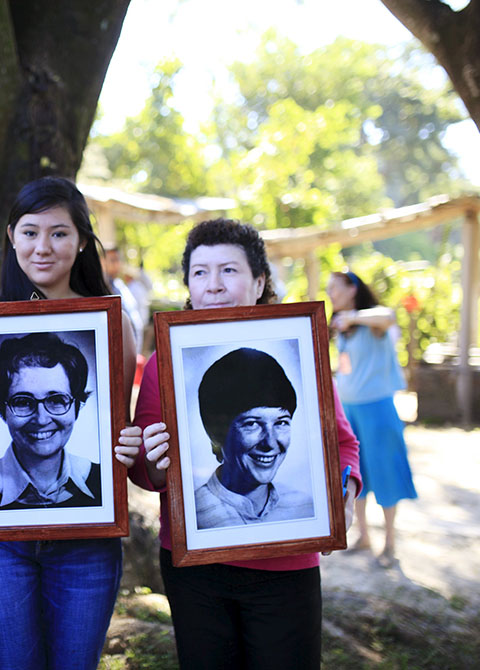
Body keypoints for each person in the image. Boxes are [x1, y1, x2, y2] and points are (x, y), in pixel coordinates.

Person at [119, 218, 361, 668]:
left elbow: (343, 445)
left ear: (259, 281)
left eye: (228, 270)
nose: (213, 285)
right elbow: (148, 478)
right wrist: (152, 459)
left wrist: (342, 496)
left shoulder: (302, 348)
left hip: (289, 565)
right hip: (196, 569)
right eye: (199, 272)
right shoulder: (162, 364)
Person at [0, 176, 138, 670]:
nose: (42, 247)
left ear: (81, 242)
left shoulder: (113, 325)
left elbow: (123, 426)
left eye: (59, 233)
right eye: (30, 232)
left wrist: (130, 443)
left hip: (87, 543)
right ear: (11, 237)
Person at [327, 270, 416, 568]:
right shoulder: (341, 327)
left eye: (334, 288)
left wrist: (353, 318)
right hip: (349, 412)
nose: (330, 294)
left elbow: (388, 315)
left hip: (377, 409)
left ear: (352, 289)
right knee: (354, 476)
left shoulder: (371, 322)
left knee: (386, 473)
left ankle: (389, 544)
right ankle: (363, 536)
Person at [194, 347, 314, 529]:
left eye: (281, 422)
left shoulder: (305, 508)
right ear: (217, 433)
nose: (270, 442)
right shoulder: (195, 516)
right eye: (252, 424)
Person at [0, 332, 101, 511]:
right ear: (2, 409)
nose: (41, 419)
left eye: (57, 400)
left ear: (77, 406)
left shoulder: (102, 479)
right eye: (22, 402)